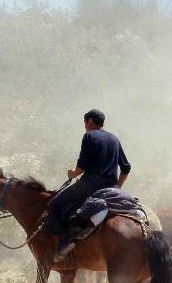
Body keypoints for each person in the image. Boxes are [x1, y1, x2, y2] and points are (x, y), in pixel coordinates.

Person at [49, 109, 131, 262]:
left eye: (85, 122)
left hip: (89, 185)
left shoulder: (89, 136)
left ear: (90, 121)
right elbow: (126, 168)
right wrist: (117, 187)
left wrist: (72, 174)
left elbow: (81, 168)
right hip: (111, 188)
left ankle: (66, 241)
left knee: (53, 205)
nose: (85, 126)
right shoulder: (115, 139)